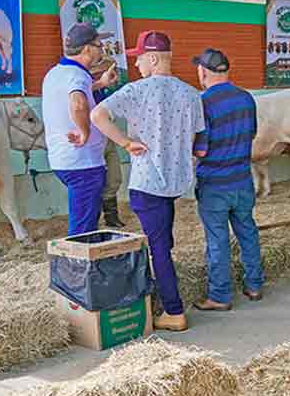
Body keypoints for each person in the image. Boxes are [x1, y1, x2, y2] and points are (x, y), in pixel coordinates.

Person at [91, 30, 205, 332]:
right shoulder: (192, 94)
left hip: (146, 181)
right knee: (163, 240)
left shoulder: (136, 91)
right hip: (174, 182)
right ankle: (161, 293)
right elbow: (194, 138)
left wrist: (125, 142)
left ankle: (173, 310)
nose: (137, 64)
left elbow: (97, 115)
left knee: (159, 249)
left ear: (153, 58)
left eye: (139, 58)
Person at [187, 48, 264, 312]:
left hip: (214, 185)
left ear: (203, 72)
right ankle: (254, 285)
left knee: (217, 240)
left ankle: (220, 295)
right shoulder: (246, 98)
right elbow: (251, 135)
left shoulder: (202, 103)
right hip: (242, 180)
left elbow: (201, 150)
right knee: (248, 232)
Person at [41, 22, 118, 236]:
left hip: (63, 160)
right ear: (86, 49)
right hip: (83, 163)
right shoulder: (78, 75)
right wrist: (84, 132)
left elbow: (77, 92)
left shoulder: (56, 73)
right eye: (98, 44)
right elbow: (78, 103)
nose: (101, 48)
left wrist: (100, 83)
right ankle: (79, 266)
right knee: (83, 228)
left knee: (83, 218)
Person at [87, 55, 126, 228]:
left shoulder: (105, 90)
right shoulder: (84, 86)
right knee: (93, 181)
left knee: (114, 177)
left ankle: (111, 216)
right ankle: (93, 218)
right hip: (91, 140)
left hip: (107, 136)